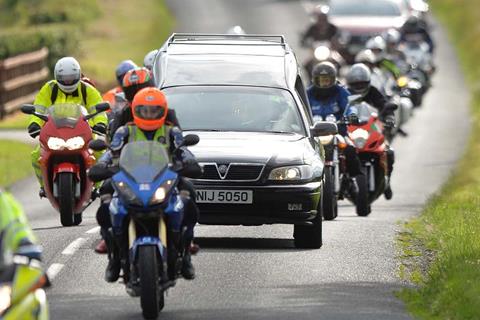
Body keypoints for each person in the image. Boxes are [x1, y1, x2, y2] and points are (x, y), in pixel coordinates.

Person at [91, 87, 200, 282]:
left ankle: (186, 249)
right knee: (106, 194)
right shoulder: (125, 132)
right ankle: (113, 254)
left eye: (154, 111)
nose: (149, 115)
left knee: (189, 194)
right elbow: (111, 151)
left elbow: (183, 150)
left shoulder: (171, 131)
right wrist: (101, 164)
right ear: (135, 111)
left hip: (164, 177)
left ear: (163, 111)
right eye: (144, 110)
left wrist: (190, 162)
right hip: (130, 178)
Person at [27, 57, 107, 197]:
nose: (68, 81)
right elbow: (39, 108)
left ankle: (96, 185)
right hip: (54, 132)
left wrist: (100, 124)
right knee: (36, 156)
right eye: (64, 78)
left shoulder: (87, 89)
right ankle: (44, 186)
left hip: (83, 131)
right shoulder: (49, 89)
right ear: (57, 77)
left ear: (78, 76)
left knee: (100, 152)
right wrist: (34, 123)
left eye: (71, 78)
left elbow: (98, 109)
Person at [345, 63, 395, 199]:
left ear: (368, 82)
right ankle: (340, 181)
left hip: (371, 127)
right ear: (350, 83)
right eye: (356, 84)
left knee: (389, 151)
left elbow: (384, 104)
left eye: (362, 83)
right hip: (351, 129)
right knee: (341, 149)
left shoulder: (373, 91)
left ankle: (387, 180)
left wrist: (389, 116)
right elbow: (339, 108)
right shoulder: (345, 93)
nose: (359, 87)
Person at [306, 61, 362, 178]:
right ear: (315, 80)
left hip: (338, 132)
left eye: (327, 80)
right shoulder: (308, 93)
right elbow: (300, 107)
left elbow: (350, 105)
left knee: (350, 149)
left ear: (333, 80)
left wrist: (352, 115)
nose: (324, 84)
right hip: (313, 134)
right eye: (321, 80)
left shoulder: (341, 91)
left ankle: (353, 179)